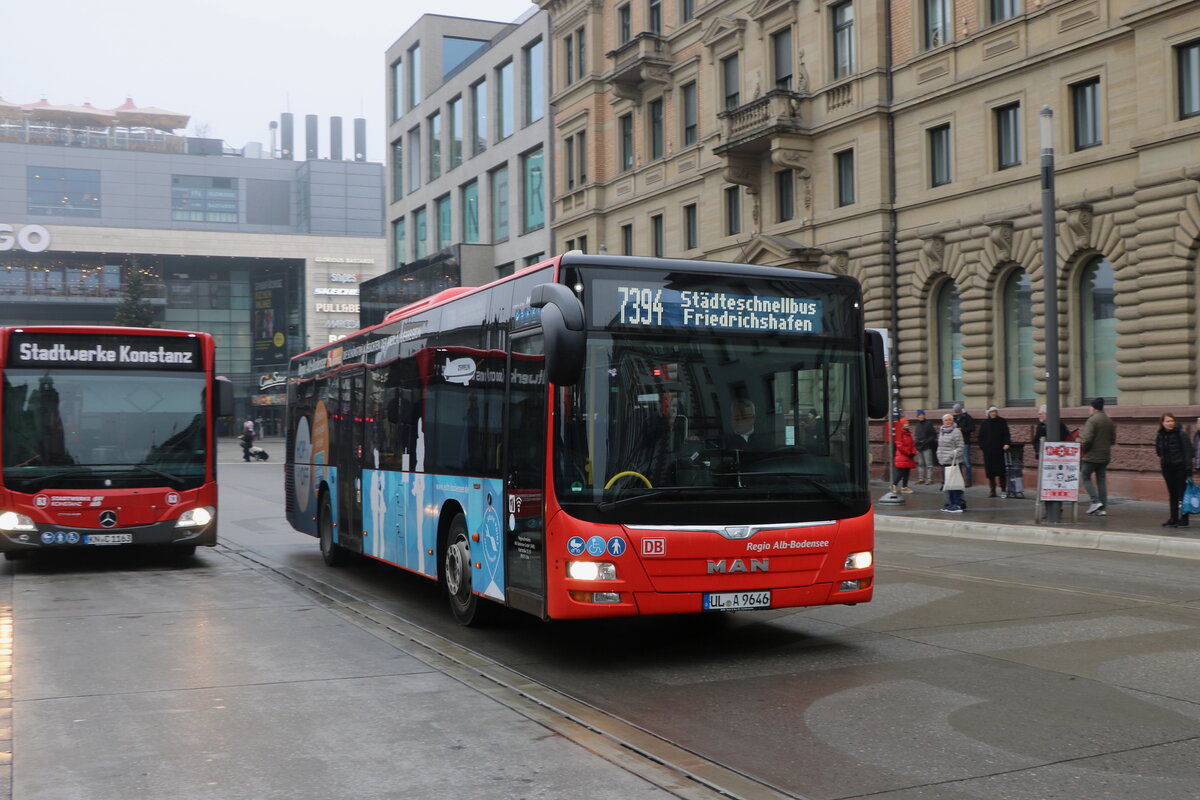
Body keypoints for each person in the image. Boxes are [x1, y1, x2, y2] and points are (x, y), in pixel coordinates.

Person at [1154, 412, 1194, 528]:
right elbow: (1158, 451)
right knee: (1172, 494)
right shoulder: (1160, 435)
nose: (1170, 423)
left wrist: (1188, 469)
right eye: (1167, 421)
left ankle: (1184, 519)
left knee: (1182, 494)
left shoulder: (1181, 434)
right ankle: (1173, 518)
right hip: (1167, 468)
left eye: (1172, 421)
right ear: (1162, 423)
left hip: (1180, 468)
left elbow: (1188, 452)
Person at [1080, 397, 1115, 516]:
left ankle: (1095, 501)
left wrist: (1085, 450)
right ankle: (1102, 508)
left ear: (1093, 408)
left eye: (1090, 406)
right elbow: (1113, 440)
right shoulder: (1108, 420)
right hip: (1105, 456)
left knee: (1085, 476)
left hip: (1091, 456)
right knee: (1101, 480)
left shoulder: (1092, 420)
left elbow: (1087, 439)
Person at [978, 405, 1012, 498]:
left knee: (1001, 471)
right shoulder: (985, 423)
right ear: (988, 413)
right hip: (988, 451)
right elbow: (981, 437)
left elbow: (1006, 434)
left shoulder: (1002, 421)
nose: (993, 413)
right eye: (992, 412)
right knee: (990, 472)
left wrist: (1006, 443)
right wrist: (983, 446)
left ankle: (1003, 489)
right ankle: (992, 490)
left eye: (995, 412)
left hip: (999, 450)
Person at [936, 413, 965, 512]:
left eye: (949, 420)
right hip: (944, 461)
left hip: (953, 462)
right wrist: (938, 455)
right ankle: (951, 503)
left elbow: (960, 447)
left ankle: (957, 504)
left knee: (954, 484)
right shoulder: (942, 431)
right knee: (948, 484)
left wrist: (952, 455)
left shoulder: (956, 431)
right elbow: (940, 446)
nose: (948, 421)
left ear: (953, 421)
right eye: (946, 420)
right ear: (943, 422)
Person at [952, 403, 976, 486]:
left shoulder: (967, 417)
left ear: (961, 410)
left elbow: (972, 428)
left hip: (965, 442)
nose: (957, 413)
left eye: (958, 412)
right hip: (956, 443)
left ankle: (968, 480)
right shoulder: (954, 418)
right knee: (958, 462)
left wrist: (962, 429)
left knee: (966, 462)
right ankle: (959, 479)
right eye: (955, 412)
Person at [913, 409, 938, 485]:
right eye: (919, 415)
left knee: (929, 464)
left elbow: (933, 435)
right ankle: (921, 479)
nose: (920, 416)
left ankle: (930, 479)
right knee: (920, 464)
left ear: (924, 415)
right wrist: (917, 443)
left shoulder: (928, 424)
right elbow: (916, 436)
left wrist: (926, 441)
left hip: (927, 446)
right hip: (919, 447)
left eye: (922, 415)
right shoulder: (918, 425)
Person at [893, 418, 916, 493]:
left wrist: (913, 452)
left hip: (908, 456)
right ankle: (894, 485)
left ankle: (904, 487)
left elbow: (912, 444)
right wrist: (908, 453)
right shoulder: (899, 433)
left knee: (907, 472)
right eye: (905, 423)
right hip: (902, 456)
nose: (907, 425)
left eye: (908, 423)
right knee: (900, 472)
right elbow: (900, 445)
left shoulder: (908, 433)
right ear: (902, 425)